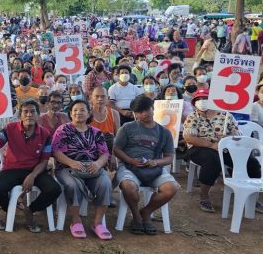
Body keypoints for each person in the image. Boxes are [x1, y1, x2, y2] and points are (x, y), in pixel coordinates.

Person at [0, 99, 61, 233]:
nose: (29, 115)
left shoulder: (45, 134)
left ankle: (30, 210)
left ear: (38, 115)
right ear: (20, 115)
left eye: (32, 112)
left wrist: (32, 175)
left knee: (54, 189)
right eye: (25, 112)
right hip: (12, 169)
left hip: (35, 169)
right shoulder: (9, 128)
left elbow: (44, 161)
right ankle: (9, 211)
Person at [183, 90, 260, 212]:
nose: (202, 101)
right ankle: (204, 195)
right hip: (199, 148)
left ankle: (251, 197)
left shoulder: (225, 115)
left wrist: (228, 138)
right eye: (199, 99)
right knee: (213, 160)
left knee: (251, 162)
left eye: (206, 98)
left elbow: (236, 133)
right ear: (194, 102)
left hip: (226, 147)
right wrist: (211, 145)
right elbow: (189, 138)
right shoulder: (192, 117)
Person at [113, 95, 179, 235]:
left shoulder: (164, 132)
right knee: (128, 187)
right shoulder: (127, 128)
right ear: (134, 113)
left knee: (171, 188)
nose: (143, 114)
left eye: (146, 110)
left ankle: (146, 212)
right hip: (130, 167)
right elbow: (116, 149)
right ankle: (136, 215)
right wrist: (130, 160)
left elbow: (169, 157)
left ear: (153, 108)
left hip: (154, 168)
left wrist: (156, 162)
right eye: (138, 112)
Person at [52, 100, 112, 239]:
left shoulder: (96, 132)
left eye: (82, 110)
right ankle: (76, 220)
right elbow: (56, 151)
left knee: (106, 183)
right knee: (72, 185)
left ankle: (97, 223)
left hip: (92, 167)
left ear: (89, 113)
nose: (79, 112)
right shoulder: (63, 130)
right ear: (71, 113)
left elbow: (105, 154)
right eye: (75, 110)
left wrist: (97, 164)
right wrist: (72, 163)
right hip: (67, 168)